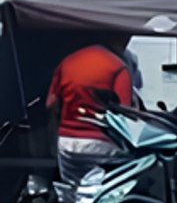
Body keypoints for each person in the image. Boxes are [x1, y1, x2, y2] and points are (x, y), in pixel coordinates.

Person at [47, 37, 139, 186]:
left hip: (68, 142)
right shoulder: (118, 67)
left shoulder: (67, 62)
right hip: (104, 144)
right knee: (103, 193)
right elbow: (125, 113)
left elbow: (51, 104)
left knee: (72, 192)